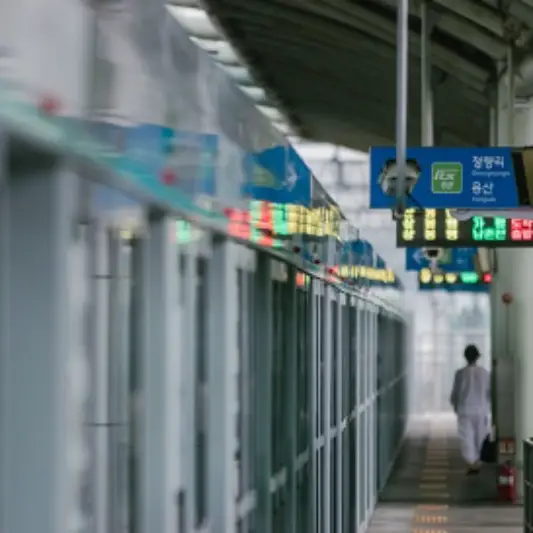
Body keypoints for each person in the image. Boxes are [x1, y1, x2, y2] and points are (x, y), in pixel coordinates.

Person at [449, 344, 491, 475]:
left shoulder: (460, 373)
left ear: (465, 357)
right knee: (480, 436)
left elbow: (455, 393)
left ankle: (471, 462)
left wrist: (454, 404)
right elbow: (489, 392)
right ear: (477, 357)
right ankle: (477, 461)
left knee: (466, 437)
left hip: (465, 410)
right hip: (481, 409)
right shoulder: (484, 373)